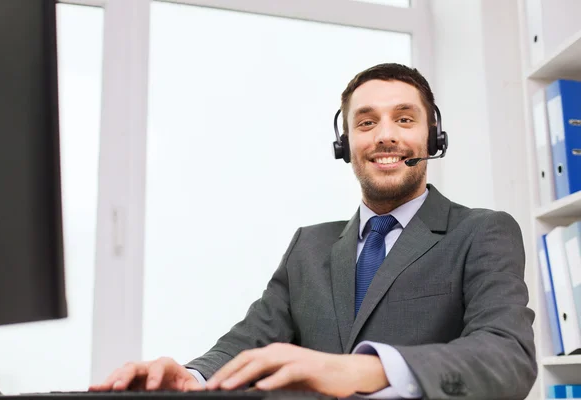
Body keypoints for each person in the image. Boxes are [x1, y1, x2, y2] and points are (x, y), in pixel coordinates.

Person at [89, 63, 537, 399]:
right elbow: (251, 339)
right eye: (366, 122)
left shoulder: (480, 231)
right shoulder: (310, 245)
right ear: (345, 145)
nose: (385, 136)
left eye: (404, 119)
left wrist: (366, 369)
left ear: (432, 137)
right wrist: (193, 376)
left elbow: (508, 356)